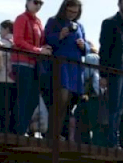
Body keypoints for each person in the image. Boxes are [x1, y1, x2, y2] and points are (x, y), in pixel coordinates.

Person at [44, 0, 89, 140]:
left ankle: (57, 133)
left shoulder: (79, 26)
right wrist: (60, 36)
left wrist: (83, 46)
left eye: (75, 13)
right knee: (60, 99)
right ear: (64, 9)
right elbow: (46, 40)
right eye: (70, 11)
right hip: (60, 65)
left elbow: (86, 49)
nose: (72, 15)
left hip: (75, 68)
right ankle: (52, 133)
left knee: (69, 101)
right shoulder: (53, 21)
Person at [97, 0, 123, 147]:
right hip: (114, 69)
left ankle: (114, 139)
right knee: (114, 105)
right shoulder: (109, 23)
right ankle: (111, 140)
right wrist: (103, 74)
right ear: (119, 4)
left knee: (121, 106)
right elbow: (104, 49)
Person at [11, 0, 47, 134]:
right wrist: (38, 50)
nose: (38, 5)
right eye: (36, 2)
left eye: (40, 3)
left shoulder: (38, 21)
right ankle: (18, 131)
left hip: (34, 65)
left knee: (31, 99)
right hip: (22, 63)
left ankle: (22, 129)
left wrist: (44, 48)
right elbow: (18, 40)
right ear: (28, 2)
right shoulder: (21, 18)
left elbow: (40, 42)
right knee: (24, 97)